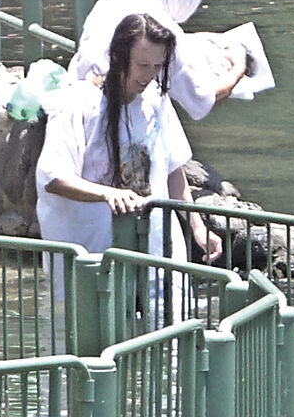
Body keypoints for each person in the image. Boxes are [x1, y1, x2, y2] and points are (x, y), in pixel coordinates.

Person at [35, 14, 223, 261]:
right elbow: (54, 177)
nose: (149, 75)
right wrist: (107, 193)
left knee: (164, 297)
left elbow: (172, 170)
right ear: (117, 58)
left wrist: (197, 227)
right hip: (92, 251)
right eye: (142, 66)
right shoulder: (78, 104)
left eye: (158, 66)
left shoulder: (156, 100)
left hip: (153, 242)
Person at [69, 0, 272, 120]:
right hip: (114, 114)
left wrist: (200, 38)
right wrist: (239, 67)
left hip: (80, 97)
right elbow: (204, 99)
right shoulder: (165, 26)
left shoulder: (114, 0)